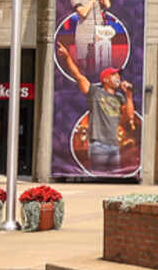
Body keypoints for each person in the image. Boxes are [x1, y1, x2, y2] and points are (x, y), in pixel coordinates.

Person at [56, 41, 136, 173]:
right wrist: (67, 57)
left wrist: (128, 94)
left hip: (115, 145)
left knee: (113, 180)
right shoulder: (95, 93)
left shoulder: (120, 98)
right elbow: (78, 76)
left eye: (118, 75)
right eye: (114, 75)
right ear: (105, 79)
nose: (118, 77)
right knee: (99, 177)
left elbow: (129, 116)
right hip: (98, 145)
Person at [68, 0, 110, 73]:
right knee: (84, 63)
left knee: (98, 61)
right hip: (84, 31)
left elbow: (107, 4)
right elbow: (83, 12)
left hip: (98, 31)